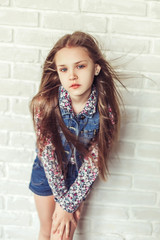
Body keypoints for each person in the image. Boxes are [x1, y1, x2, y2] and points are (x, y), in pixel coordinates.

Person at [29, 31, 122, 240]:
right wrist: (64, 204)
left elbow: (94, 161)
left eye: (80, 66)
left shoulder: (106, 112)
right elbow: (48, 155)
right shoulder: (45, 104)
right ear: (58, 73)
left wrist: (68, 204)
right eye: (64, 69)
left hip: (78, 178)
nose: (72, 75)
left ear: (96, 68)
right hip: (46, 173)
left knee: (63, 236)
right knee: (48, 230)